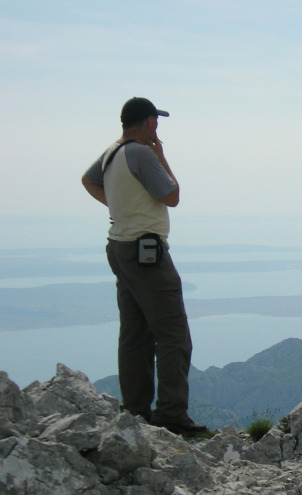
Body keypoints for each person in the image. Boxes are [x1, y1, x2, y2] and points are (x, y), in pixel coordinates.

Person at [82, 97, 207, 436]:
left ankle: (136, 410)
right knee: (173, 335)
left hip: (119, 247)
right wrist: (162, 156)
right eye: (156, 121)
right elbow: (172, 196)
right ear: (150, 122)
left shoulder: (113, 152)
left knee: (134, 333)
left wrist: (120, 208)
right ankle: (172, 415)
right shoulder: (142, 153)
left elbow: (88, 181)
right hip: (146, 253)